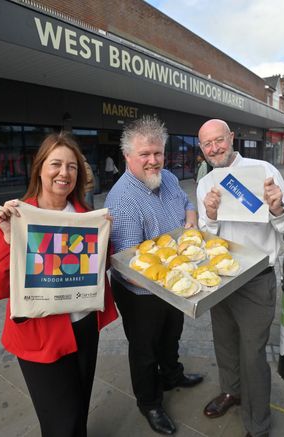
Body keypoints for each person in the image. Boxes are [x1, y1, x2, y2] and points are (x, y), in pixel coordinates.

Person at [0, 131, 118, 437]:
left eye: (72, 166)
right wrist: (10, 239)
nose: (64, 173)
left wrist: (105, 240)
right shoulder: (14, 217)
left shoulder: (87, 216)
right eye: (56, 164)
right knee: (59, 423)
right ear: (39, 168)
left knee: (79, 409)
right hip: (39, 334)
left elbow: (101, 268)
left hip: (83, 326)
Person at [105, 116, 203, 436]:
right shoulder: (123, 200)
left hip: (173, 281)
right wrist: (182, 278)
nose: (153, 161)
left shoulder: (169, 178)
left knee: (172, 332)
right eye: (145, 154)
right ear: (128, 157)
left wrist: (190, 220)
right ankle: (149, 402)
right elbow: (131, 266)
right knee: (144, 348)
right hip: (141, 292)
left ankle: (173, 375)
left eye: (158, 153)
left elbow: (188, 202)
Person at [196, 119, 284, 437]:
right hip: (221, 278)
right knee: (224, 344)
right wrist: (209, 216)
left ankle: (258, 423)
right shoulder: (204, 183)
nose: (214, 148)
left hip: (256, 280)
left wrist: (277, 208)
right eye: (207, 144)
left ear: (232, 138)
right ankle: (231, 392)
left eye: (219, 140)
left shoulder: (264, 171)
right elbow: (207, 236)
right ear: (202, 149)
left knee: (252, 355)